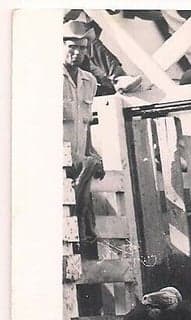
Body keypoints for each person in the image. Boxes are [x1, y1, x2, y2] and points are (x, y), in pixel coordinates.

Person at [63, 21, 104, 251]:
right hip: (57, 169)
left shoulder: (90, 81)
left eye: (82, 48)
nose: (77, 52)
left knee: (84, 232)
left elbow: (85, 124)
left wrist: (93, 153)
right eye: (72, 47)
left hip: (80, 168)